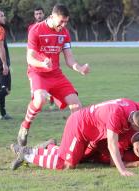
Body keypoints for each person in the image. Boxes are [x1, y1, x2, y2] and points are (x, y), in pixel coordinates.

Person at [11, 98, 139, 176]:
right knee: (67, 164)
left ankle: (48, 147)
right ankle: (27, 155)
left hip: (87, 128)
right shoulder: (116, 116)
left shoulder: (131, 107)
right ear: (136, 125)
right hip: (78, 127)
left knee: (72, 158)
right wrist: (122, 170)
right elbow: (112, 145)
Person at [17, 4, 90, 146]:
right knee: (40, 100)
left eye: (66, 22)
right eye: (61, 21)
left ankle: (73, 142)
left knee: (77, 106)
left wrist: (79, 68)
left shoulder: (64, 33)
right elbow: (29, 58)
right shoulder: (35, 30)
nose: (63, 25)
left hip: (56, 74)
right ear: (52, 16)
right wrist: (42, 64)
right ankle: (25, 126)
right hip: (38, 73)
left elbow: (69, 59)